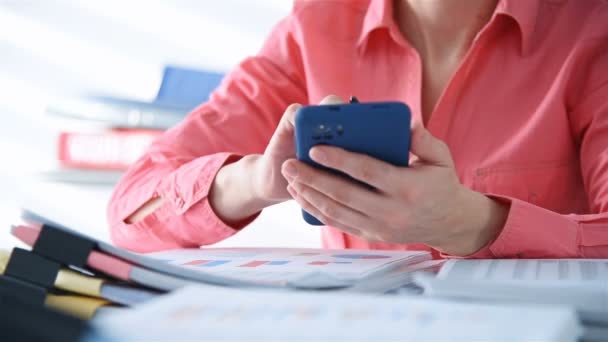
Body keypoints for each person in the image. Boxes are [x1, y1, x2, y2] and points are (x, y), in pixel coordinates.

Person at [107, 0, 608, 258]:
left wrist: (475, 224)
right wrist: (254, 181)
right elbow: (131, 210)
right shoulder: (317, 26)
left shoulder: (592, 30)